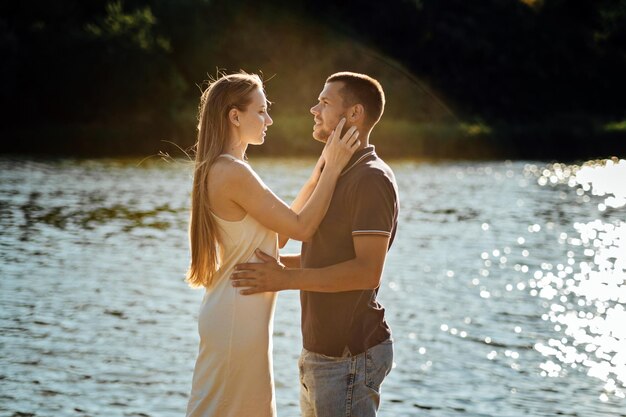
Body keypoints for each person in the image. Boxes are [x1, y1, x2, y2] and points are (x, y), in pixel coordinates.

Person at [185, 72, 360, 417]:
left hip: (238, 310)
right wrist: (334, 167)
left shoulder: (228, 168)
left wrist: (322, 165)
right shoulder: (231, 171)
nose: (269, 119)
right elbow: (304, 227)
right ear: (235, 116)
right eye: (261, 111)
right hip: (237, 314)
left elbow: (279, 235)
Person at [231, 72, 399, 417]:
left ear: (354, 114)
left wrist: (284, 280)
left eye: (324, 102)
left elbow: (367, 272)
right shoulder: (338, 174)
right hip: (321, 354)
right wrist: (274, 267)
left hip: (349, 356)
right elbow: (324, 254)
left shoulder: (371, 178)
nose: (313, 109)